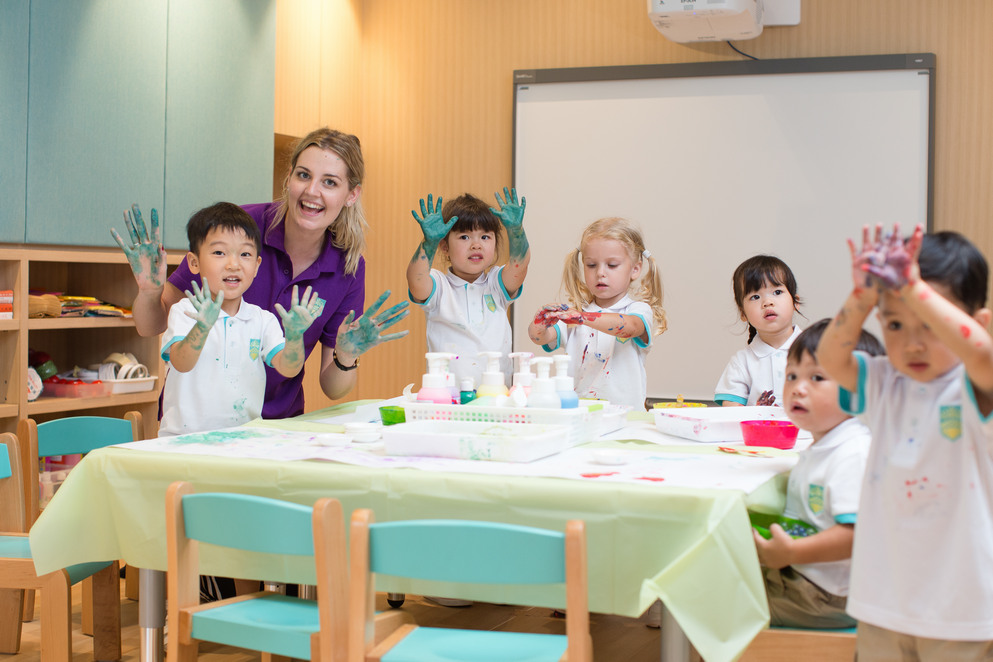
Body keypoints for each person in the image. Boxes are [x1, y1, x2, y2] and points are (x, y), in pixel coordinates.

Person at [111, 127, 408, 419]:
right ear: (289, 178)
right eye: (304, 175)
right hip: (197, 422)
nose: (312, 191)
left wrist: (345, 356)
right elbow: (150, 326)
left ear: (351, 195)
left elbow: (332, 388)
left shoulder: (348, 268)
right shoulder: (240, 229)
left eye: (329, 182)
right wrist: (150, 293)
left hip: (276, 427)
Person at [818, 224, 993, 659]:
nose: (912, 344)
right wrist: (862, 296)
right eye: (895, 324)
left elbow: (983, 355)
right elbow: (830, 359)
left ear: (977, 323)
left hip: (963, 612)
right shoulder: (884, 382)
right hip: (883, 603)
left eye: (930, 324)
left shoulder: (974, 386)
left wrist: (912, 288)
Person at [754, 318, 883, 629]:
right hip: (807, 577)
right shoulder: (825, 443)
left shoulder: (853, 452)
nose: (798, 388)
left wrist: (791, 553)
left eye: (817, 377)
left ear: (860, 390)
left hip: (828, 595)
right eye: (791, 376)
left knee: (724, 598)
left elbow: (855, 534)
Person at [159, 202, 318, 436]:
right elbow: (182, 363)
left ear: (256, 266)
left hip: (244, 441)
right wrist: (202, 326)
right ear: (194, 262)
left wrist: (295, 337)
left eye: (245, 254)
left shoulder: (263, 320)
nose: (233, 265)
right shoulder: (185, 311)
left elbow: (289, 368)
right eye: (219, 253)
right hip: (183, 442)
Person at [527, 217, 666, 410]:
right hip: (580, 412)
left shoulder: (637, 310)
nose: (600, 273)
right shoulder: (575, 314)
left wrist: (583, 318)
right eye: (591, 265)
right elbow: (540, 338)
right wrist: (540, 324)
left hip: (625, 415)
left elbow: (631, 327)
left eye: (612, 265)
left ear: (635, 269)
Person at [406, 189, 529, 387]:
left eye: (485, 237)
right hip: (447, 396)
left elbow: (520, 265)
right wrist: (428, 244)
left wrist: (516, 232)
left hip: (498, 395)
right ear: (444, 246)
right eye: (464, 237)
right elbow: (416, 281)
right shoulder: (440, 286)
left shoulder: (496, 284)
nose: (476, 245)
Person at [714, 255, 803, 407]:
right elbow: (731, 407)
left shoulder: (815, 350)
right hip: (757, 424)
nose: (767, 302)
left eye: (777, 292)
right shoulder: (742, 362)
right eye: (755, 297)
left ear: (795, 302)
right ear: (743, 313)